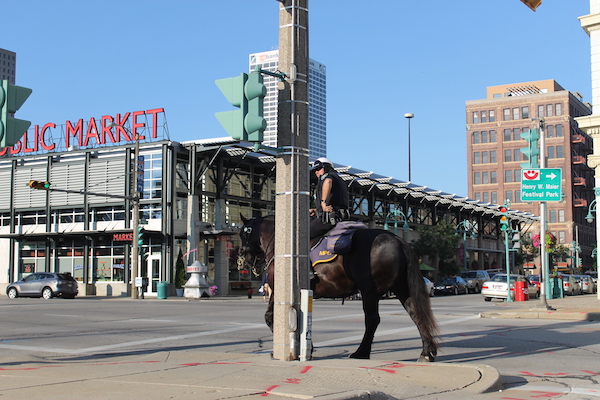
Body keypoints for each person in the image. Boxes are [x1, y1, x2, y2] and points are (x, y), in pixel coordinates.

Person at [309, 157, 350, 240]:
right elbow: (336, 201)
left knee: (302, 234)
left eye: (318, 169)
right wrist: (316, 210)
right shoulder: (339, 178)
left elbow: (328, 181)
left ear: (326, 168)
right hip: (340, 216)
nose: (316, 172)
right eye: (314, 171)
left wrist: (323, 203)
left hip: (329, 219)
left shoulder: (328, 176)